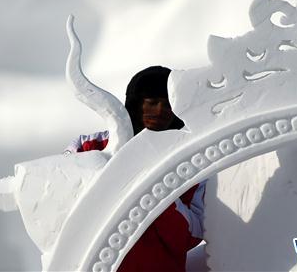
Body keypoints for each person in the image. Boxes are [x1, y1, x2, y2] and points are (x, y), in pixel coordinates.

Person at [65, 65, 206, 272]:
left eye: (168, 105)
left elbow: (192, 234)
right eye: (152, 102)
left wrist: (155, 185)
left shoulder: (192, 162)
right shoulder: (88, 147)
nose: (160, 111)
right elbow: (61, 202)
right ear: (135, 104)